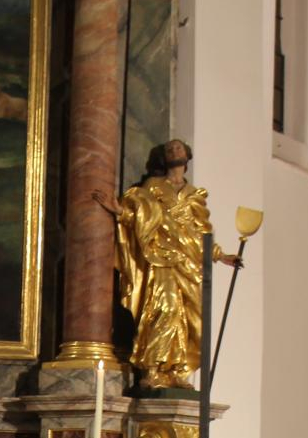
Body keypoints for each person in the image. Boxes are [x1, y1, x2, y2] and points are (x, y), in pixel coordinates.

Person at [93, 140, 240, 391]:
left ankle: (176, 370)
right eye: (170, 149)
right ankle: (152, 368)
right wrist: (120, 212)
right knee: (164, 309)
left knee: (188, 317)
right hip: (160, 258)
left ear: (187, 156)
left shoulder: (194, 195)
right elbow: (141, 216)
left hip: (189, 263)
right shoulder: (152, 187)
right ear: (164, 158)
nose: (174, 151)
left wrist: (220, 255)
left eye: (178, 148)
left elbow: (201, 232)